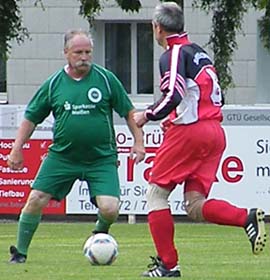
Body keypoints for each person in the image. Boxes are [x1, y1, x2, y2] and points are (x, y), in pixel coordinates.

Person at [134, 2, 267, 278]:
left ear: (156, 27)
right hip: (215, 132)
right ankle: (246, 217)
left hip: (191, 131)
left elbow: (174, 95)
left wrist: (147, 115)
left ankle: (168, 265)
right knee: (195, 205)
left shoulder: (174, 53)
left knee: (156, 194)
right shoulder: (200, 54)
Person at [7, 29, 145, 264]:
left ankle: (99, 233)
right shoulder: (53, 84)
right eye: (78, 52)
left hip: (100, 158)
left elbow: (130, 112)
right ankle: (19, 252)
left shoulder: (105, 79)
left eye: (88, 52)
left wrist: (138, 142)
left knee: (110, 208)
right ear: (66, 53)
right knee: (35, 198)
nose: (84, 57)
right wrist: (17, 148)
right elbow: (31, 117)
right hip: (63, 156)